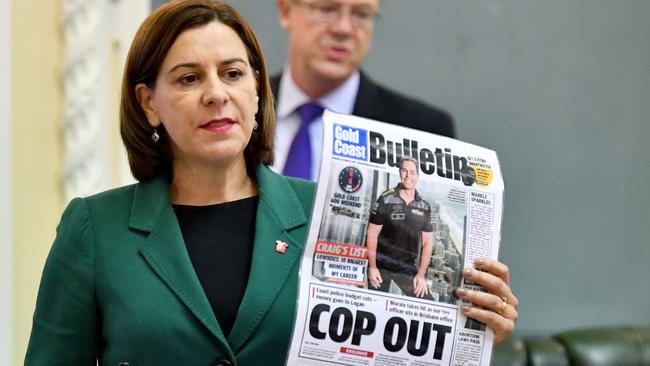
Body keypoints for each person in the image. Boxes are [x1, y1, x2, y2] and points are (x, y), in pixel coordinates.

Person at [25, 1, 516, 364]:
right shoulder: (94, 229)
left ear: (257, 89)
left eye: (233, 73)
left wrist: (467, 332)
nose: (217, 94)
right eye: (189, 78)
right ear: (149, 102)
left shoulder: (325, 215)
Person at [272, 0, 456, 180]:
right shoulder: (248, 104)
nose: (343, 29)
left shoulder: (424, 133)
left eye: (362, 14)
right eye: (327, 9)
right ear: (286, 10)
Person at [366, 157, 434, 299]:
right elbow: (372, 234)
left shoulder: (424, 206)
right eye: (404, 171)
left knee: (427, 302)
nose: (408, 176)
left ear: (418, 176)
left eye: (412, 172)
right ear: (399, 172)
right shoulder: (386, 198)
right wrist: (372, 267)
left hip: (406, 268)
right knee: (374, 306)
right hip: (381, 265)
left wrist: (421, 274)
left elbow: (427, 243)